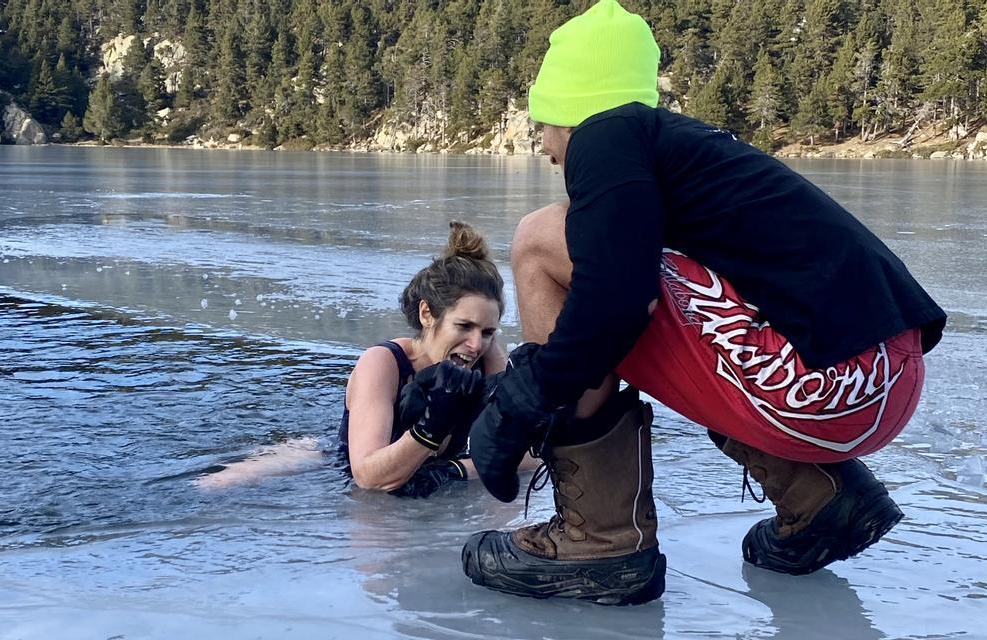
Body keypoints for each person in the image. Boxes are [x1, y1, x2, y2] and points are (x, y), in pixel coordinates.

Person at [461, 0, 946, 605]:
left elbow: (615, 301)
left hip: (829, 389)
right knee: (634, 273)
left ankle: (601, 540)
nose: (543, 145)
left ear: (570, 110)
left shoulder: (606, 134)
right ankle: (819, 496)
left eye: (543, 123)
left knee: (541, 241)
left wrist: (523, 398)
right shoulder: (679, 149)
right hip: (884, 379)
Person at [200, 221, 517, 498]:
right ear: (427, 314)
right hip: (336, 466)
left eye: (488, 331)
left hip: (426, 473)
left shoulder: (487, 361)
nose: (476, 344)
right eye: (463, 326)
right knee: (216, 486)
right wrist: (430, 429)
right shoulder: (383, 363)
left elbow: (527, 454)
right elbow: (367, 476)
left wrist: (453, 471)